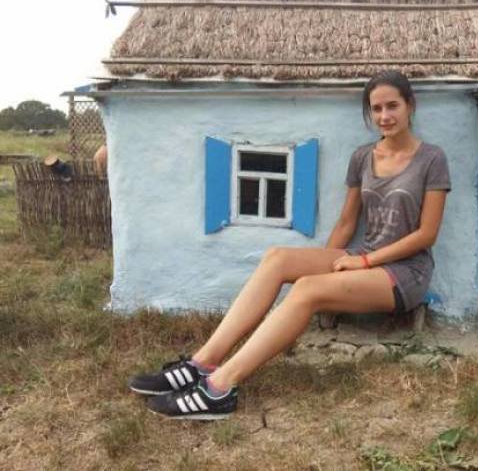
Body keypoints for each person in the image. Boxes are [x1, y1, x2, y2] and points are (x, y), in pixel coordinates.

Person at [129, 70, 452, 420]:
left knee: (307, 289)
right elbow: (347, 222)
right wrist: (332, 267)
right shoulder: (363, 157)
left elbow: (427, 234)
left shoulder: (431, 158)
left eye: (392, 106)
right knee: (277, 258)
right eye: (376, 109)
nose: (384, 116)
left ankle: (219, 388)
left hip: (405, 271)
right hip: (364, 256)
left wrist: (360, 264)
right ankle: (203, 363)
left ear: (409, 106)